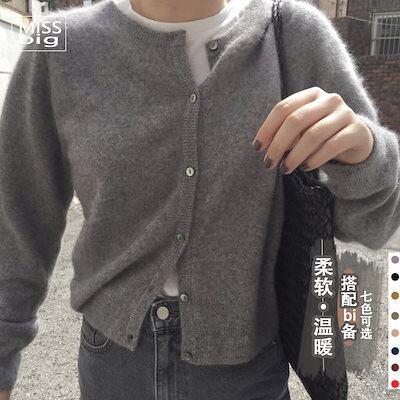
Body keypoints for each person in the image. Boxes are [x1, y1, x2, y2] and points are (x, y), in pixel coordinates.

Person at [0, 0, 399, 399]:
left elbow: (374, 225)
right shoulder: (57, 43)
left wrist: (367, 155)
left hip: (247, 373)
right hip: (112, 367)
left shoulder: (294, 34)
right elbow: (15, 221)